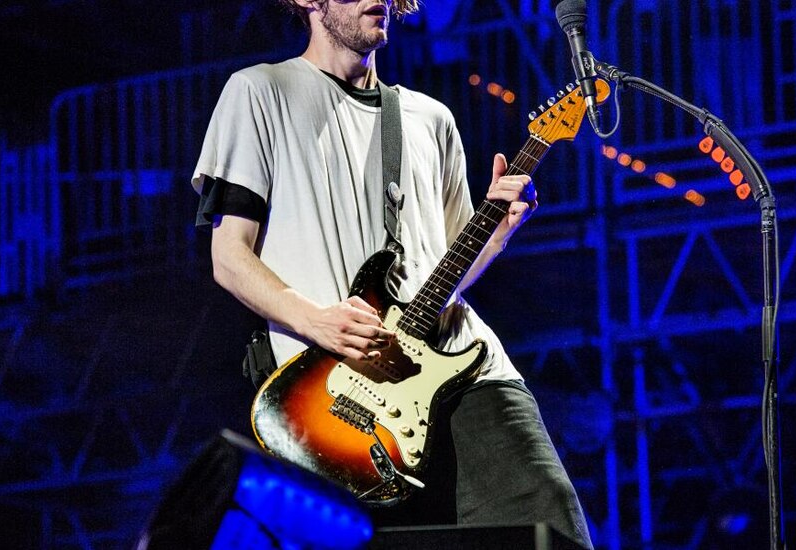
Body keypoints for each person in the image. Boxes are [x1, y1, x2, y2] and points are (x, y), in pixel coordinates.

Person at [191, 0, 593, 547]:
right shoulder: (259, 92)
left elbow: (446, 268)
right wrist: (316, 321)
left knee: (550, 521)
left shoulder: (431, 119)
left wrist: (495, 233)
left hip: (463, 367)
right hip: (335, 391)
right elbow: (229, 257)